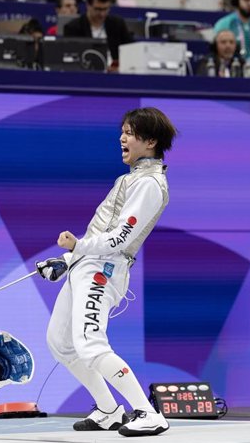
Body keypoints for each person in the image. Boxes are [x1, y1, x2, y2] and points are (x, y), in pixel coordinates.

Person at [37, 107, 176, 437]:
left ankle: (146, 412)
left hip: (105, 269)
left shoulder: (150, 184)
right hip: (87, 265)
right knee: (60, 343)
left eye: (130, 132)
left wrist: (77, 248)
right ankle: (109, 410)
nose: (122, 138)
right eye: (123, 131)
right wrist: (67, 261)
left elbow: (120, 237)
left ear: (151, 140)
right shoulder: (129, 179)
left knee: (89, 343)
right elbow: (104, 231)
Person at [64, 0, 132, 72]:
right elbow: (71, 61)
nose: (102, 14)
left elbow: (130, 49)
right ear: (88, 5)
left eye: (106, 9)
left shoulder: (117, 24)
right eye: (98, 9)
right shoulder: (73, 27)